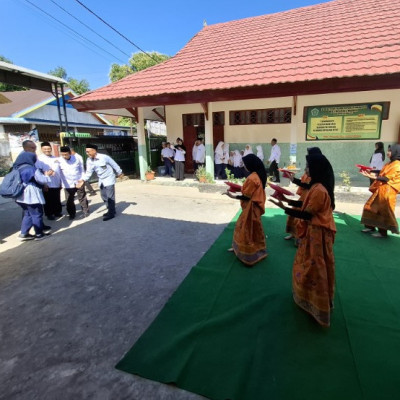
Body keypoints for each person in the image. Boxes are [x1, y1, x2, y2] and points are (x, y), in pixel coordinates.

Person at [269, 153, 336, 327]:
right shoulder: (315, 186)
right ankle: (306, 296)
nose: (306, 169)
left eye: (308, 166)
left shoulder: (320, 190)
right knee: (308, 263)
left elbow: (307, 213)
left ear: (316, 169)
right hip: (312, 233)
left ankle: (318, 304)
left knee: (316, 266)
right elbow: (305, 204)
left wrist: (285, 208)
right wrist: (286, 200)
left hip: (318, 235)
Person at [225, 154, 267, 266]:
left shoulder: (252, 178)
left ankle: (248, 254)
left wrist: (232, 196)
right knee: (252, 229)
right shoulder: (257, 175)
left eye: (245, 164)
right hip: (254, 208)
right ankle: (250, 250)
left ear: (250, 165)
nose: (244, 166)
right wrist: (239, 189)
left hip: (251, 208)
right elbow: (249, 192)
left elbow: (247, 196)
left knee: (245, 228)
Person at [360, 143, 400, 238]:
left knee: (384, 211)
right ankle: (370, 226)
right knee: (369, 206)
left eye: (390, 151)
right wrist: (371, 171)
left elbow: (386, 178)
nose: (388, 153)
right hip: (381, 189)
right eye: (388, 150)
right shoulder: (389, 163)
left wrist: (371, 176)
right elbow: (381, 171)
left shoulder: (397, 165)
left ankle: (383, 232)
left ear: (396, 152)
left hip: (388, 192)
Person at [284, 147, 323, 241]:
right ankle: (293, 234)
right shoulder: (309, 168)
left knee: (302, 218)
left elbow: (309, 185)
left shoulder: (318, 173)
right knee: (294, 216)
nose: (306, 169)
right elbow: (304, 183)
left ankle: (300, 237)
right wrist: (293, 179)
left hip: (310, 198)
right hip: (304, 196)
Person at [78, 144, 124, 221]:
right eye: (86, 152)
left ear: (94, 151)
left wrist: (119, 172)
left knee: (110, 197)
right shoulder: (89, 160)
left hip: (109, 178)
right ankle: (110, 209)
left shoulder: (104, 157)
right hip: (101, 180)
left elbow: (114, 164)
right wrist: (83, 180)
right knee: (103, 196)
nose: (87, 153)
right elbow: (89, 172)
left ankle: (111, 213)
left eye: (88, 151)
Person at [14, 149, 52, 240]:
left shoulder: (17, 168)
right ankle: (39, 234)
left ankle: (24, 233)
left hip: (20, 195)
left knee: (27, 213)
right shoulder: (31, 169)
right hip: (31, 195)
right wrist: (47, 175)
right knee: (36, 214)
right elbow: (41, 180)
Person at [59, 146, 90, 220]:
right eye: (62, 154)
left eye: (66, 154)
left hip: (78, 181)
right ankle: (72, 214)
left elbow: (82, 170)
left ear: (70, 153)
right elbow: (58, 172)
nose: (64, 156)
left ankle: (85, 211)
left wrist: (82, 180)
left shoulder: (77, 159)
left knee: (82, 197)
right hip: (67, 184)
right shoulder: (59, 161)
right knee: (69, 200)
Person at [35, 141, 62, 220]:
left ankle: (57, 212)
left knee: (57, 198)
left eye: (49, 148)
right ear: (42, 149)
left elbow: (59, 170)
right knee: (48, 200)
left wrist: (60, 182)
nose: (47, 150)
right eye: (45, 149)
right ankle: (49, 214)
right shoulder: (39, 159)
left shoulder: (55, 158)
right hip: (47, 183)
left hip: (56, 182)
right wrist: (44, 184)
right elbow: (38, 172)